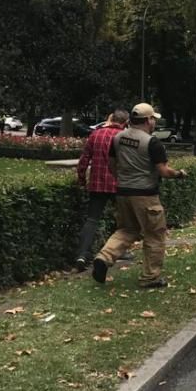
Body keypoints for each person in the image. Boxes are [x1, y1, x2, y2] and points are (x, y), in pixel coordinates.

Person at [91, 103, 187, 288]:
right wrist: (179, 174)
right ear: (148, 120)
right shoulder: (152, 142)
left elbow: (111, 163)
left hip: (122, 192)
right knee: (154, 235)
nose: (154, 123)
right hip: (146, 195)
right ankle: (151, 277)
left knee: (126, 229)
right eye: (153, 119)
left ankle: (104, 257)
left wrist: (122, 178)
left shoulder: (118, 138)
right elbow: (163, 171)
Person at [74, 109, 128, 271]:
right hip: (119, 184)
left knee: (92, 220)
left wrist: (82, 179)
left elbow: (84, 160)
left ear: (110, 119)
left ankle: (82, 255)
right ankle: (117, 251)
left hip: (97, 184)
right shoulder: (124, 138)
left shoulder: (95, 135)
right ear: (125, 123)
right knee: (123, 220)